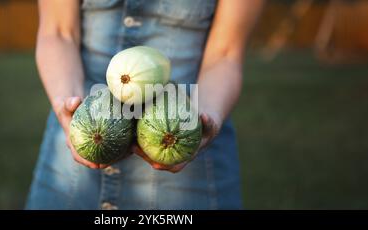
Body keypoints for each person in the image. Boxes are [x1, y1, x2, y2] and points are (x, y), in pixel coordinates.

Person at [26, 0, 265, 210]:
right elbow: (57, 32)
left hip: (190, 175)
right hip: (69, 173)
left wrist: (208, 115)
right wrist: (65, 104)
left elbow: (226, 52)